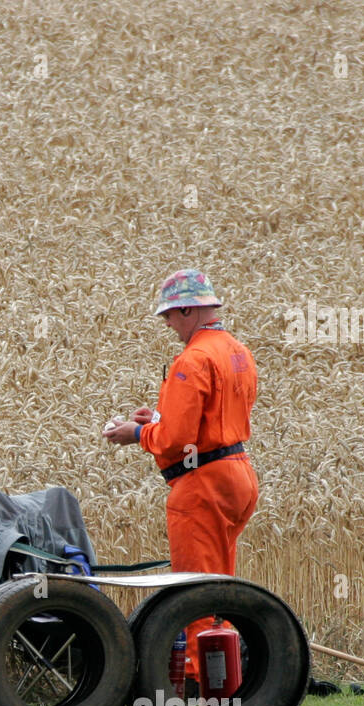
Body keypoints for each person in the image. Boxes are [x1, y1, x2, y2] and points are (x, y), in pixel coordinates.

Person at [103, 269, 258, 680]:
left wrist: (135, 432)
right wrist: (158, 417)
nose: (168, 325)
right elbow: (212, 423)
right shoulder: (237, 351)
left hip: (201, 486)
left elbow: (176, 441)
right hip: (238, 476)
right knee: (221, 588)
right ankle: (229, 682)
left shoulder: (193, 359)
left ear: (187, 309)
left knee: (194, 594)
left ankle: (196, 688)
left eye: (169, 315)